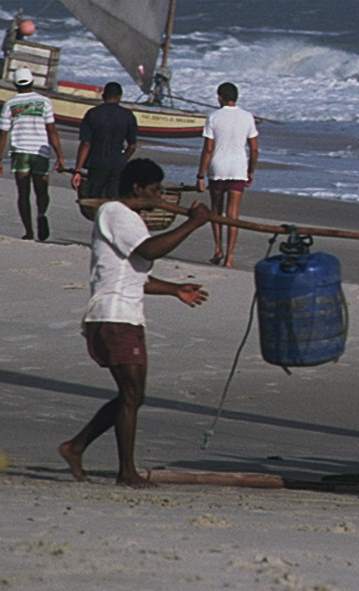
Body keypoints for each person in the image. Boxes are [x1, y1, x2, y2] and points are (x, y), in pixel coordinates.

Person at [58, 158, 211, 488]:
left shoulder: (130, 219)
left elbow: (137, 276)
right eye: (154, 190)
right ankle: (126, 471)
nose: (159, 197)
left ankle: (76, 447)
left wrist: (175, 290)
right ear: (138, 188)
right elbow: (151, 250)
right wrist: (194, 223)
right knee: (131, 394)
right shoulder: (117, 214)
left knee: (132, 395)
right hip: (113, 314)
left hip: (125, 313)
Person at [196, 82, 258, 268]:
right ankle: (230, 257)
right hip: (238, 167)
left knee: (216, 211)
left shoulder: (214, 117)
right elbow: (254, 149)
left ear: (220, 97)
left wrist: (201, 174)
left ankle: (218, 249)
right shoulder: (247, 117)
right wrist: (251, 171)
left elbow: (208, 149)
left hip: (218, 167)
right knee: (233, 215)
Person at [0, 67, 65, 241]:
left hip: (20, 152)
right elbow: (52, 130)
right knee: (41, 191)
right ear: (32, 82)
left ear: (15, 84)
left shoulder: (9, 104)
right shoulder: (44, 102)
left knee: (23, 193)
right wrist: (60, 156)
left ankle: (29, 231)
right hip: (41, 152)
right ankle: (41, 214)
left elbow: (3, 135)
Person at [71, 81, 138, 198]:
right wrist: (122, 160)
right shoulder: (128, 116)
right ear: (120, 97)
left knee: (94, 200)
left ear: (103, 96)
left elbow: (86, 144)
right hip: (117, 164)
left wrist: (78, 170)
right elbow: (132, 146)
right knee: (113, 198)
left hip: (96, 163)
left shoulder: (92, 113)